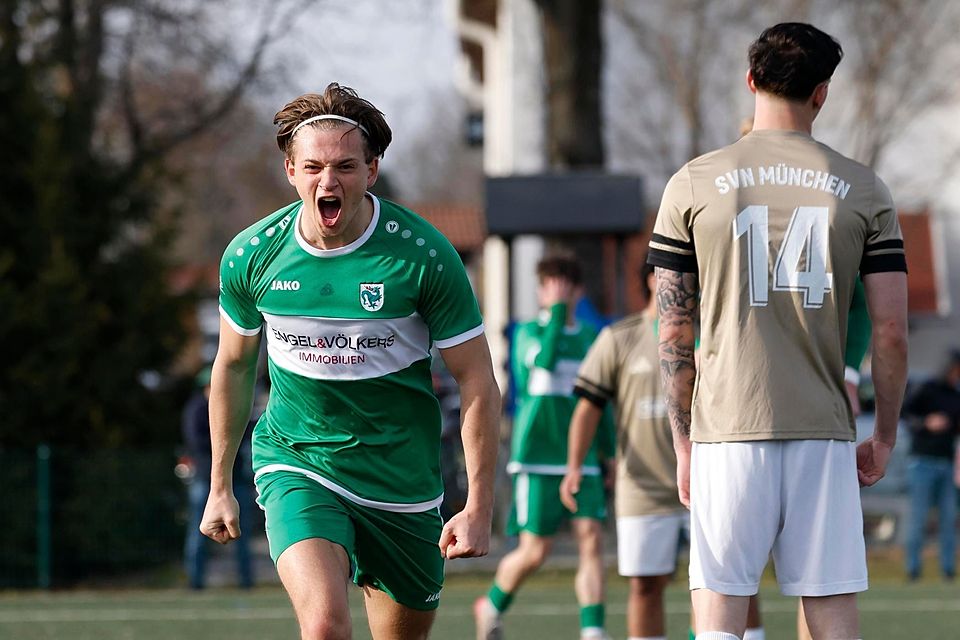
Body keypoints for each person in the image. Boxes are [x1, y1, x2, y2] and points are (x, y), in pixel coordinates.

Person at [200, 83, 501, 640]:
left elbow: (477, 378)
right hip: (298, 459)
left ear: (373, 170)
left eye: (344, 165)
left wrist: (478, 503)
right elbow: (234, 366)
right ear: (290, 170)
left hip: (401, 479)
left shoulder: (424, 256)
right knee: (323, 628)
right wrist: (221, 483)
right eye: (312, 166)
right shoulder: (250, 256)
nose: (328, 181)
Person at [647, 22, 909, 640]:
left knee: (720, 614)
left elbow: (674, 328)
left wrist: (683, 443)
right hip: (823, 428)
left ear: (750, 81)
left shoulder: (692, 182)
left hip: (727, 429)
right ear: (821, 94)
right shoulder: (866, 189)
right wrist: (885, 435)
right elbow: (892, 332)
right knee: (830, 609)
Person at [561, 263, 764, 640]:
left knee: (732, 583)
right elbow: (588, 406)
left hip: (712, 484)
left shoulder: (716, 335)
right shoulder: (619, 338)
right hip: (644, 489)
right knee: (645, 585)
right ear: (653, 281)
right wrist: (574, 465)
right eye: (674, 275)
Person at [476, 254, 615, 640]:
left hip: (582, 457)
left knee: (591, 538)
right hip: (537, 457)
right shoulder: (527, 333)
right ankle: (490, 605)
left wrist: (609, 451)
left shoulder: (591, 338)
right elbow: (546, 363)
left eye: (563, 286)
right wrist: (556, 312)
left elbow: (599, 403)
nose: (554, 293)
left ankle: (593, 631)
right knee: (536, 551)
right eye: (548, 286)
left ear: (578, 291)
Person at [182, 366, 254, 590]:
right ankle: (195, 582)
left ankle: (246, 581)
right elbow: (196, 442)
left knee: (242, 532)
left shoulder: (237, 407)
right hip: (205, 481)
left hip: (237, 481)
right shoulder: (196, 410)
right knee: (198, 532)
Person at [902, 350, 960, 582]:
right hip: (922, 463)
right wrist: (926, 423)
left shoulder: (956, 395)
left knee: (948, 518)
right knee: (918, 518)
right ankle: (913, 569)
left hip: (946, 464)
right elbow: (905, 414)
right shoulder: (926, 388)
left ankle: (947, 569)